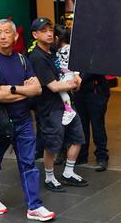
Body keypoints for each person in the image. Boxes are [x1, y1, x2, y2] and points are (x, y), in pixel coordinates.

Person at [0, 18, 55, 221]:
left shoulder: (23, 60)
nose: (3, 36)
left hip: (23, 120)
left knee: (29, 163)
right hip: (0, 121)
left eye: (7, 32)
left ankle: (34, 206)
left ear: (15, 36)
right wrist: (25, 91)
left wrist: (11, 89)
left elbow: (38, 89)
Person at [28, 17, 88, 192]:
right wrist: (73, 84)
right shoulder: (37, 57)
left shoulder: (54, 50)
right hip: (50, 107)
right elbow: (53, 86)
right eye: (44, 31)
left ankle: (68, 172)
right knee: (52, 144)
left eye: (50, 30)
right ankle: (49, 177)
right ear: (35, 35)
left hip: (66, 104)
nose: (49, 33)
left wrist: (75, 76)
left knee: (78, 137)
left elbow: (66, 70)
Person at [75, 72, 111, 171]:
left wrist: (78, 79)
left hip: (96, 91)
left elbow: (95, 67)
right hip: (79, 91)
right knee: (82, 125)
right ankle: (82, 155)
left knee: (97, 126)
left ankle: (102, 157)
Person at [53, 24, 78, 125]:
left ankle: (69, 110)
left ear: (57, 38)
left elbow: (76, 62)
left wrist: (76, 74)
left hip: (69, 74)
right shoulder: (58, 50)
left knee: (60, 90)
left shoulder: (69, 49)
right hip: (63, 74)